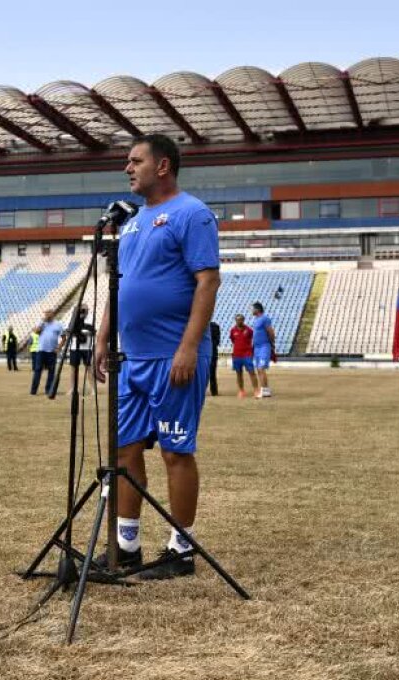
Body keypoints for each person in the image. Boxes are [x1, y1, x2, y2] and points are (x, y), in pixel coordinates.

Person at [94, 132, 220, 580]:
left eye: (135, 161)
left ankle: (180, 550)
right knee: (126, 449)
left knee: (174, 451)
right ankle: (126, 545)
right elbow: (120, 286)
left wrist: (188, 347)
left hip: (173, 357)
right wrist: (104, 336)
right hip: (133, 358)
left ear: (162, 166)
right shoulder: (129, 224)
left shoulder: (192, 214)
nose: (127, 169)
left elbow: (207, 282)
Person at [31, 309, 65, 395]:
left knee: (51, 371)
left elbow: (64, 337)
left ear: (52, 314)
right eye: (45, 313)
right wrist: (42, 322)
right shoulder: (41, 323)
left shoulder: (58, 324)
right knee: (38, 370)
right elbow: (36, 332)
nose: (46, 315)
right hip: (41, 350)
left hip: (52, 352)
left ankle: (49, 389)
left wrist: (59, 347)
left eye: (48, 313)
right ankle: (33, 390)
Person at [229, 313, 259, 399]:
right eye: (237, 320)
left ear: (243, 320)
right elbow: (233, 340)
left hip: (247, 354)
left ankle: (256, 390)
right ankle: (241, 391)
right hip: (237, 355)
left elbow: (253, 339)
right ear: (235, 320)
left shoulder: (249, 330)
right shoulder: (233, 330)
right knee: (239, 373)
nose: (239, 321)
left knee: (252, 372)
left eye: (241, 319)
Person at [250, 301, 276, 398]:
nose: (251, 310)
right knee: (259, 369)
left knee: (261, 368)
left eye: (252, 308)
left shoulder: (265, 319)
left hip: (264, 346)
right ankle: (265, 390)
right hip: (256, 348)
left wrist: (272, 344)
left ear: (257, 309)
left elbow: (271, 332)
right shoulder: (256, 320)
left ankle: (265, 390)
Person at [208, 320, 221, 396]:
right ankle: (214, 392)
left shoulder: (214, 326)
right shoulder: (215, 326)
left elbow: (217, 340)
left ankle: (214, 391)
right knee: (212, 373)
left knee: (212, 373)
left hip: (210, 351)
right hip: (211, 351)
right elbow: (217, 340)